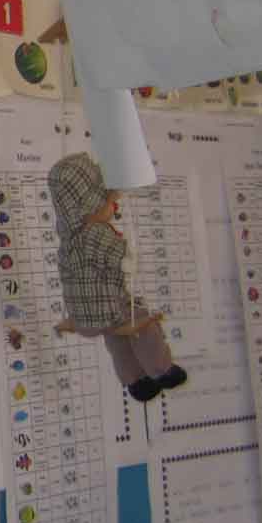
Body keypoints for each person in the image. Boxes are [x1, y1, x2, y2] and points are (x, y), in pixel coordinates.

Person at [47, 153, 188, 402]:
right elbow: (121, 259)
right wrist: (128, 258)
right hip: (107, 305)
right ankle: (162, 370)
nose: (114, 208)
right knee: (141, 322)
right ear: (90, 209)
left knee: (116, 337)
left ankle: (135, 380)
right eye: (110, 204)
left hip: (84, 316)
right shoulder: (94, 233)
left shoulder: (68, 238)